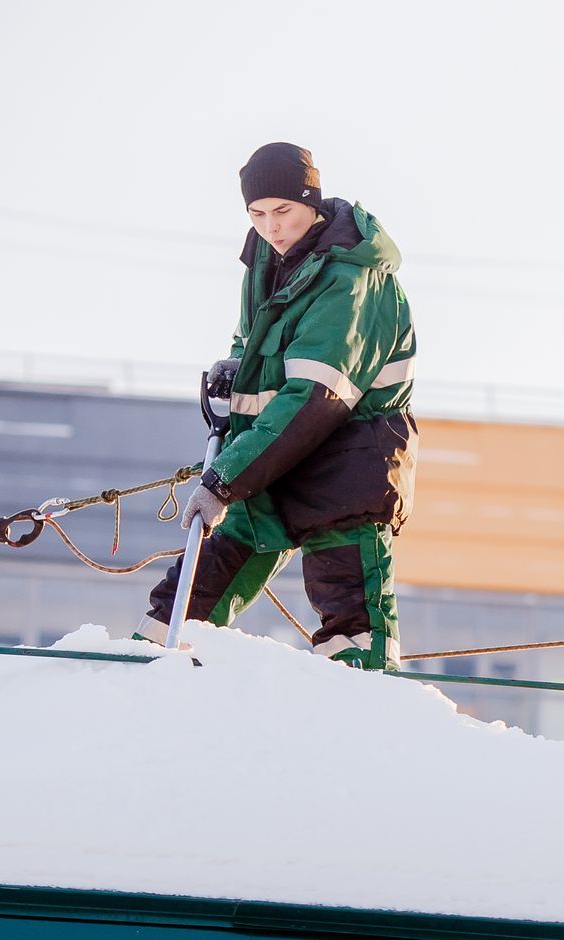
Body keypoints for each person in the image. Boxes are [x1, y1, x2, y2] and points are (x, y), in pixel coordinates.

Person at [138, 142, 417, 669]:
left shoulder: (352, 278)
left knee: (351, 624)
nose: (272, 226)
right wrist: (235, 365)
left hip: (343, 466)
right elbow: (258, 340)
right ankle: (144, 677)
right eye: (257, 214)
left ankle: (365, 721)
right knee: (188, 597)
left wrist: (223, 480)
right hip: (271, 461)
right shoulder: (267, 262)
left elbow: (317, 394)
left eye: (283, 211)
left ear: (311, 202)